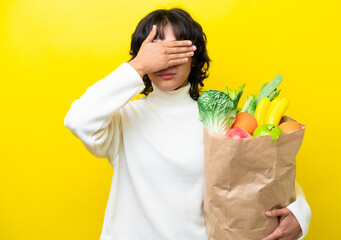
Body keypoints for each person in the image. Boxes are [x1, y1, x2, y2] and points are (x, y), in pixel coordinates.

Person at [64, 8, 311, 240]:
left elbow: (263, 172)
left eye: (176, 50)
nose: (166, 62)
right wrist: (138, 66)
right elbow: (78, 120)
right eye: (157, 52)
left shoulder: (220, 118)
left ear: (194, 58)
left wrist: (300, 213)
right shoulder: (122, 119)